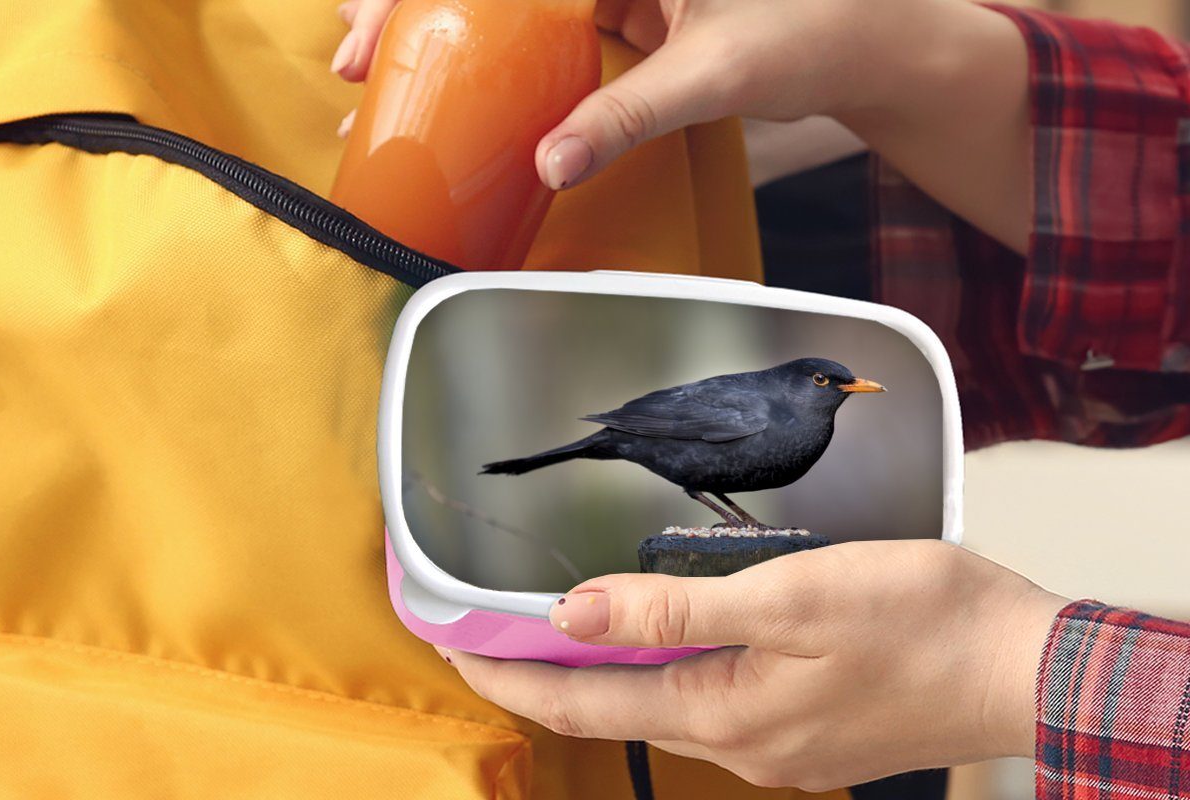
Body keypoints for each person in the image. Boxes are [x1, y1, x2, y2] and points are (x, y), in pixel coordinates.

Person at [334, 0, 1190, 795]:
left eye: (839, 383)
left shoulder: (793, 418)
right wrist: (897, 57)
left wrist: (1003, 676)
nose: (844, 389)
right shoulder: (765, 408)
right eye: (829, 381)